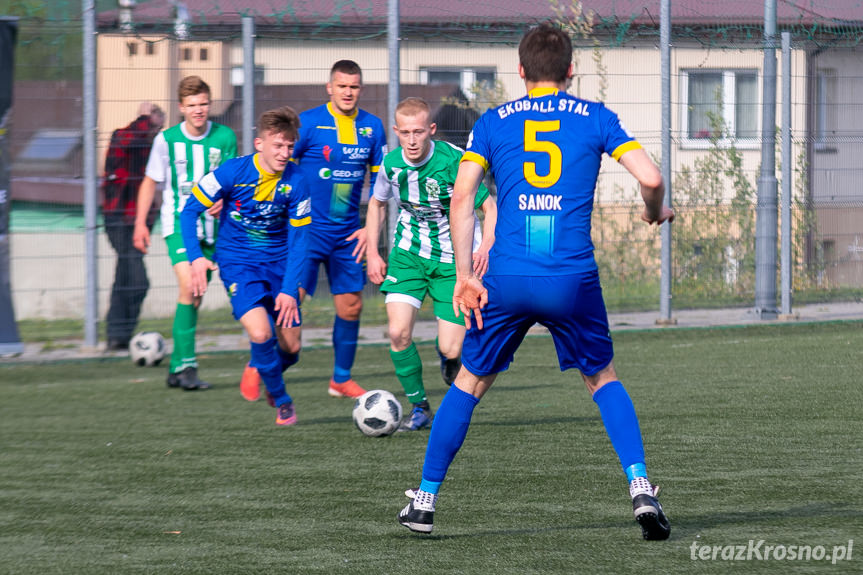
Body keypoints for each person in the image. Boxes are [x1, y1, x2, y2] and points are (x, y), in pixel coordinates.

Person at [397, 23, 675, 540]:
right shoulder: (597, 117)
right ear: (571, 71)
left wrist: (463, 274)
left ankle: (424, 501)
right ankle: (640, 487)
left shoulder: (492, 122)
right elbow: (652, 179)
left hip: (506, 277)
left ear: (520, 72)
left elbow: (462, 199)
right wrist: (653, 211)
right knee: (602, 378)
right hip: (570, 278)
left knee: (469, 383)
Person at [242, 59, 386, 402]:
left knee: (351, 307)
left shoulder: (373, 127)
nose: (348, 92)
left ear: (360, 89)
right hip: (306, 232)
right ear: (329, 88)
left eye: (354, 86)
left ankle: (340, 380)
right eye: (342, 86)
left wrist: (370, 230)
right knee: (292, 303)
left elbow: (381, 183)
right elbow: (276, 169)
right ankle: (261, 361)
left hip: (348, 234)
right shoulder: (308, 124)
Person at [365, 97, 496, 432]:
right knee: (397, 332)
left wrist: (487, 246)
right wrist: (373, 252)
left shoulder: (453, 161)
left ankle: (447, 356)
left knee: (451, 347)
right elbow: (377, 204)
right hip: (408, 255)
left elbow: (489, 207)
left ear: (431, 130)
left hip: (453, 261)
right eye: (405, 132)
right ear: (396, 131)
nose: (411, 139)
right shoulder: (391, 164)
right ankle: (419, 405)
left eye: (418, 132)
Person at [180, 106, 309, 425]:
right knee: (261, 331)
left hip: (279, 264)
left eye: (290, 146)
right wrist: (196, 257)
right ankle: (281, 399)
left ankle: (268, 372)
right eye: (278, 145)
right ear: (259, 143)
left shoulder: (298, 181)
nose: (284, 153)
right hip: (239, 263)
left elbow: (300, 240)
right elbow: (188, 210)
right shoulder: (231, 172)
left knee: (291, 348)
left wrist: (290, 289)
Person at [133, 76, 237, 391]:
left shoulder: (224, 137)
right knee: (190, 287)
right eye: (192, 105)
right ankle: (188, 366)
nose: (199, 110)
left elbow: (232, 181)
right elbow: (150, 182)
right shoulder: (166, 141)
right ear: (181, 108)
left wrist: (225, 202)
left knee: (196, 296)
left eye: (203, 104)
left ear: (210, 104)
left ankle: (177, 367)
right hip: (179, 225)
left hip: (216, 229)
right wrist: (140, 223)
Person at [102, 102, 165, 350]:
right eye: (152, 124)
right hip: (118, 219)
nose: (154, 131)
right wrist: (145, 118)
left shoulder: (153, 147)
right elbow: (130, 139)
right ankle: (119, 333)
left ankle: (118, 337)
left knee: (125, 278)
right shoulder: (123, 138)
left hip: (138, 223)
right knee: (137, 280)